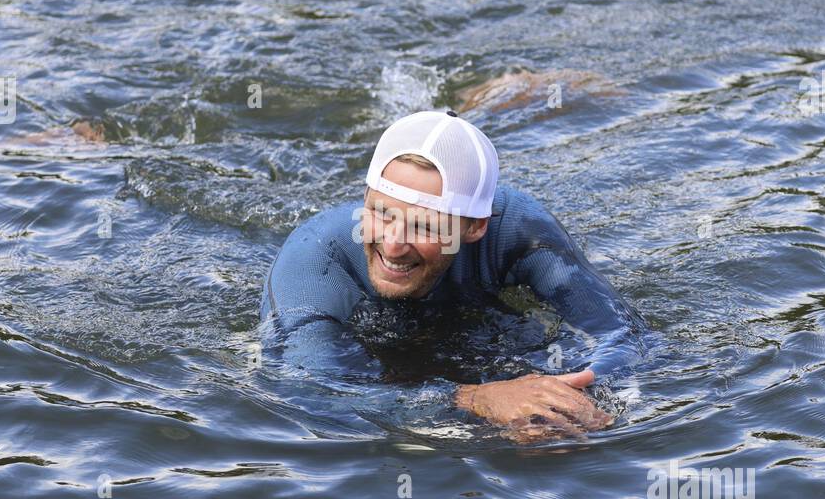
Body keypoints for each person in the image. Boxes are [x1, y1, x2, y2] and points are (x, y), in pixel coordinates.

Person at [259, 105, 646, 441]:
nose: (393, 245)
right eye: (381, 213)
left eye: (425, 227)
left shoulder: (518, 229)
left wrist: (571, 401)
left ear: (477, 225)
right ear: (365, 198)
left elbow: (622, 334)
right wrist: (476, 399)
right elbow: (309, 389)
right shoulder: (313, 260)